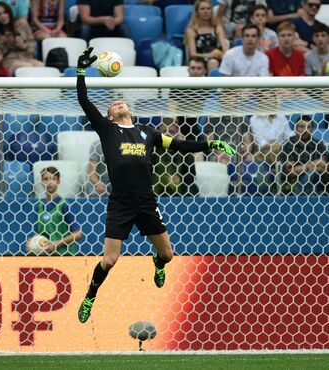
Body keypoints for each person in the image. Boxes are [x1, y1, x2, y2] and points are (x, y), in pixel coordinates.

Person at [74, 47, 236, 323]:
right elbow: (84, 100)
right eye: (114, 103)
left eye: (121, 101)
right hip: (121, 202)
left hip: (146, 200)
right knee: (110, 260)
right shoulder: (107, 129)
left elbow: (180, 146)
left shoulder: (148, 133)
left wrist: (209, 144)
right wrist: (81, 71)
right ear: (111, 115)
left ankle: (157, 264)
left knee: (167, 255)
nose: (119, 102)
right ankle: (90, 295)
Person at [30, 166, 83, 255]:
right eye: (46, 179)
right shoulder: (39, 207)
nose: (49, 182)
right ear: (42, 182)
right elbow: (40, 234)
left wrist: (56, 244)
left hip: (64, 256)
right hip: (46, 257)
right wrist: (33, 243)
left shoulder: (64, 205)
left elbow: (77, 234)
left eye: (53, 179)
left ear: (58, 182)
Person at [279, 116, 328, 194]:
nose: (305, 130)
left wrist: (306, 168)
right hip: (295, 182)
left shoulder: (319, 144)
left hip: (321, 180)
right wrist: (313, 164)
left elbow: (326, 167)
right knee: (311, 174)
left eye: (308, 127)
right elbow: (291, 172)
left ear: (312, 129)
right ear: (295, 128)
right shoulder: (288, 145)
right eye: (302, 127)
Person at [0, 1, 44, 74]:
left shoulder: (22, 24)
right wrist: (6, 43)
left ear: (9, 13)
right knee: (27, 67)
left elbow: (32, 48)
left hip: (26, 58)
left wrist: (23, 46)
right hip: (9, 62)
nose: (3, 16)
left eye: (5, 12)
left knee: (41, 66)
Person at [185, 0, 228, 73]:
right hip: (198, 59)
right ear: (197, 12)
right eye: (202, 9)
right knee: (211, 62)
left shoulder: (217, 27)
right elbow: (193, 54)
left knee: (214, 62)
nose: (206, 11)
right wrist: (209, 55)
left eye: (208, 9)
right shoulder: (191, 30)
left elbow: (225, 48)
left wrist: (221, 54)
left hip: (216, 57)